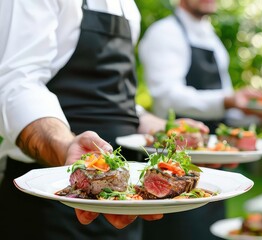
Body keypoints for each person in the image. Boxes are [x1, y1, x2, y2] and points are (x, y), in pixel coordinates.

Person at [0, 0, 209, 239]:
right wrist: (68, 148)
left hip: (126, 202)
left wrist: (167, 129)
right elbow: (16, 84)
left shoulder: (128, 6)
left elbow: (116, 101)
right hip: (50, 203)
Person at [138, 0, 262, 239]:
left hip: (215, 162)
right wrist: (228, 100)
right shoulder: (164, 33)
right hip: (172, 163)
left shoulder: (212, 39)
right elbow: (166, 97)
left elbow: (228, 111)